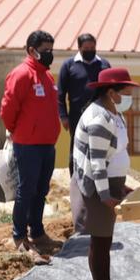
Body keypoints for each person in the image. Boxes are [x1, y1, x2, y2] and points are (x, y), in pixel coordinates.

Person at [72, 68, 140, 280]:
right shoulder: (99, 118)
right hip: (98, 185)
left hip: (111, 182)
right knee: (101, 238)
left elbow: (116, 152)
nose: (129, 98)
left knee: (105, 236)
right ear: (112, 93)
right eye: (126, 93)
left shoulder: (114, 114)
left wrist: (121, 186)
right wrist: (104, 195)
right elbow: (97, 162)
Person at [0, 30, 60, 265]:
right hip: (28, 145)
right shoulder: (21, 74)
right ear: (31, 51)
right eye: (45, 50)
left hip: (47, 144)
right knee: (26, 191)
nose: (49, 54)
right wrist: (19, 131)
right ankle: (19, 237)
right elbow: (8, 110)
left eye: (51, 50)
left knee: (41, 190)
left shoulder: (47, 76)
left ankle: (37, 232)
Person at [58, 33, 111, 234]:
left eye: (92, 47)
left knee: (99, 152)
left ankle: (99, 189)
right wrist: (63, 116)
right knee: (77, 154)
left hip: (100, 117)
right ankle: (78, 188)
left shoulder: (104, 65)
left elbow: (110, 90)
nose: (90, 50)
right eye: (86, 48)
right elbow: (60, 94)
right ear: (79, 48)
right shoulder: (69, 66)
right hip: (77, 119)